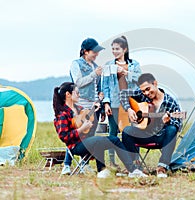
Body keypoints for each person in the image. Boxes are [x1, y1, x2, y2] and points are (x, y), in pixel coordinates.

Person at [53, 82, 147, 178]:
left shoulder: (79, 109)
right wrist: (82, 129)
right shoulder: (62, 114)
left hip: (87, 141)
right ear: (68, 94)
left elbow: (89, 124)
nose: (79, 95)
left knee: (115, 140)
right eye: (76, 93)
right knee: (97, 140)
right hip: (75, 146)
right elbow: (64, 137)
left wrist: (95, 111)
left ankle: (132, 170)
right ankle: (101, 170)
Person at [120, 73, 182, 178]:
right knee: (126, 131)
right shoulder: (142, 95)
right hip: (144, 134)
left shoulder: (170, 102)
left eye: (148, 89)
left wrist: (167, 121)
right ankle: (134, 168)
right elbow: (123, 94)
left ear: (155, 83)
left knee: (172, 129)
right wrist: (129, 109)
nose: (146, 93)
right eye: (143, 91)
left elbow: (178, 124)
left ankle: (162, 168)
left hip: (160, 138)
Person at [61, 38, 104, 175]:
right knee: (76, 135)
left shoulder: (95, 65)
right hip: (80, 103)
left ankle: (83, 163)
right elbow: (78, 83)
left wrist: (100, 99)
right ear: (85, 51)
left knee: (90, 135)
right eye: (94, 51)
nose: (96, 54)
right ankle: (66, 165)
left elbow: (97, 87)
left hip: (93, 106)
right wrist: (93, 74)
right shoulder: (76, 64)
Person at [102, 36, 142, 167]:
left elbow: (140, 79)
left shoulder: (134, 64)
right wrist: (106, 103)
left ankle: (136, 159)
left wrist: (126, 72)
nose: (114, 51)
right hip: (114, 102)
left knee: (135, 130)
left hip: (132, 101)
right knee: (113, 131)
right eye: (113, 49)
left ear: (124, 49)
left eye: (117, 49)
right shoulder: (109, 65)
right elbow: (105, 86)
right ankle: (112, 162)